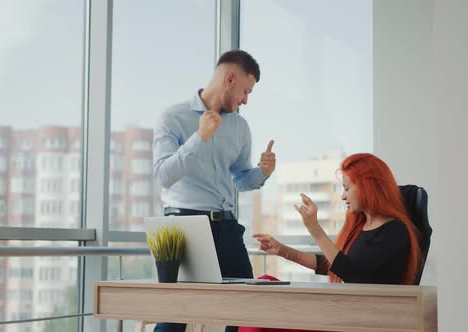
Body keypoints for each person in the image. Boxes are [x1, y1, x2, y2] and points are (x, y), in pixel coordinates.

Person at [153, 49, 276, 332]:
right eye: (245, 91)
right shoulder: (173, 117)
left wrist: (263, 173)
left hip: (227, 226)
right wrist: (200, 137)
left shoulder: (240, 127)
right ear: (230, 78)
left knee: (243, 309)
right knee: (175, 315)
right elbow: (163, 175)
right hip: (185, 225)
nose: (246, 99)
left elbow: (241, 179)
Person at [240, 153, 422, 332]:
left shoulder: (395, 231)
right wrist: (282, 250)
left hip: (360, 321)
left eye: (347, 188)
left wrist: (315, 229)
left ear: (368, 187)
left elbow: (351, 273)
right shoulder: (360, 227)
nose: (343, 197)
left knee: (260, 316)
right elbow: (330, 265)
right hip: (340, 313)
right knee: (263, 286)